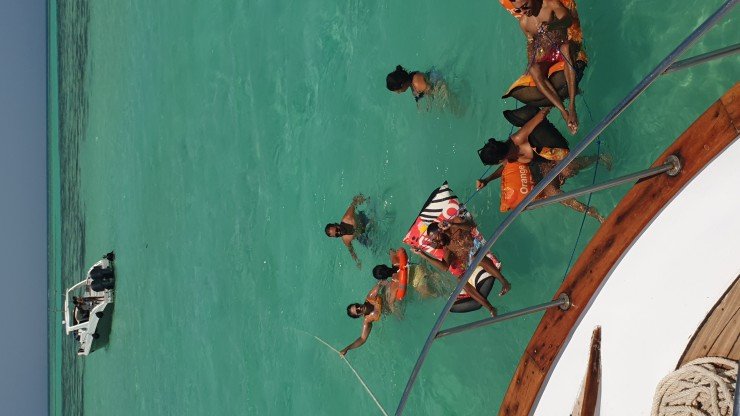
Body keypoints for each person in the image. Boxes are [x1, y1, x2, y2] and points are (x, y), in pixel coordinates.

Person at [476, 107, 607, 222]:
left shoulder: (518, 138)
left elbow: (540, 115)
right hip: (540, 168)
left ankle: (598, 158)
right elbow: (504, 169)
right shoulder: (507, 159)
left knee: (568, 170)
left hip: (550, 155)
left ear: (499, 160)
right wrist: (487, 180)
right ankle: (591, 212)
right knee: (553, 193)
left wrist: (563, 110)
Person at [511, 0, 579, 134]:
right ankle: (563, 111)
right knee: (533, 68)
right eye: (519, 10)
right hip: (548, 53)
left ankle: (572, 106)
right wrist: (531, 59)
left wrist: (552, 25)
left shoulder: (550, 4)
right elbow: (531, 43)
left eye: (525, 6)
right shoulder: (524, 23)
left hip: (564, 45)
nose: (523, 11)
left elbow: (567, 20)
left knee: (565, 47)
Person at [339, 282, 384, 356]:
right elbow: (362, 339)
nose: (359, 308)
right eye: (358, 311)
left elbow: (380, 284)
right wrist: (347, 348)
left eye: (357, 306)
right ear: (359, 316)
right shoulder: (367, 320)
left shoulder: (371, 297)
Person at [325, 194, 367, 268]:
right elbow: (351, 251)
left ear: (336, 225)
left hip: (363, 220)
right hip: (361, 235)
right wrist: (357, 261)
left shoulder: (348, 218)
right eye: (337, 234)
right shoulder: (346, 240)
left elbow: (354, 201)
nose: (339, 232)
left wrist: (364, 199)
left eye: (337, 230)